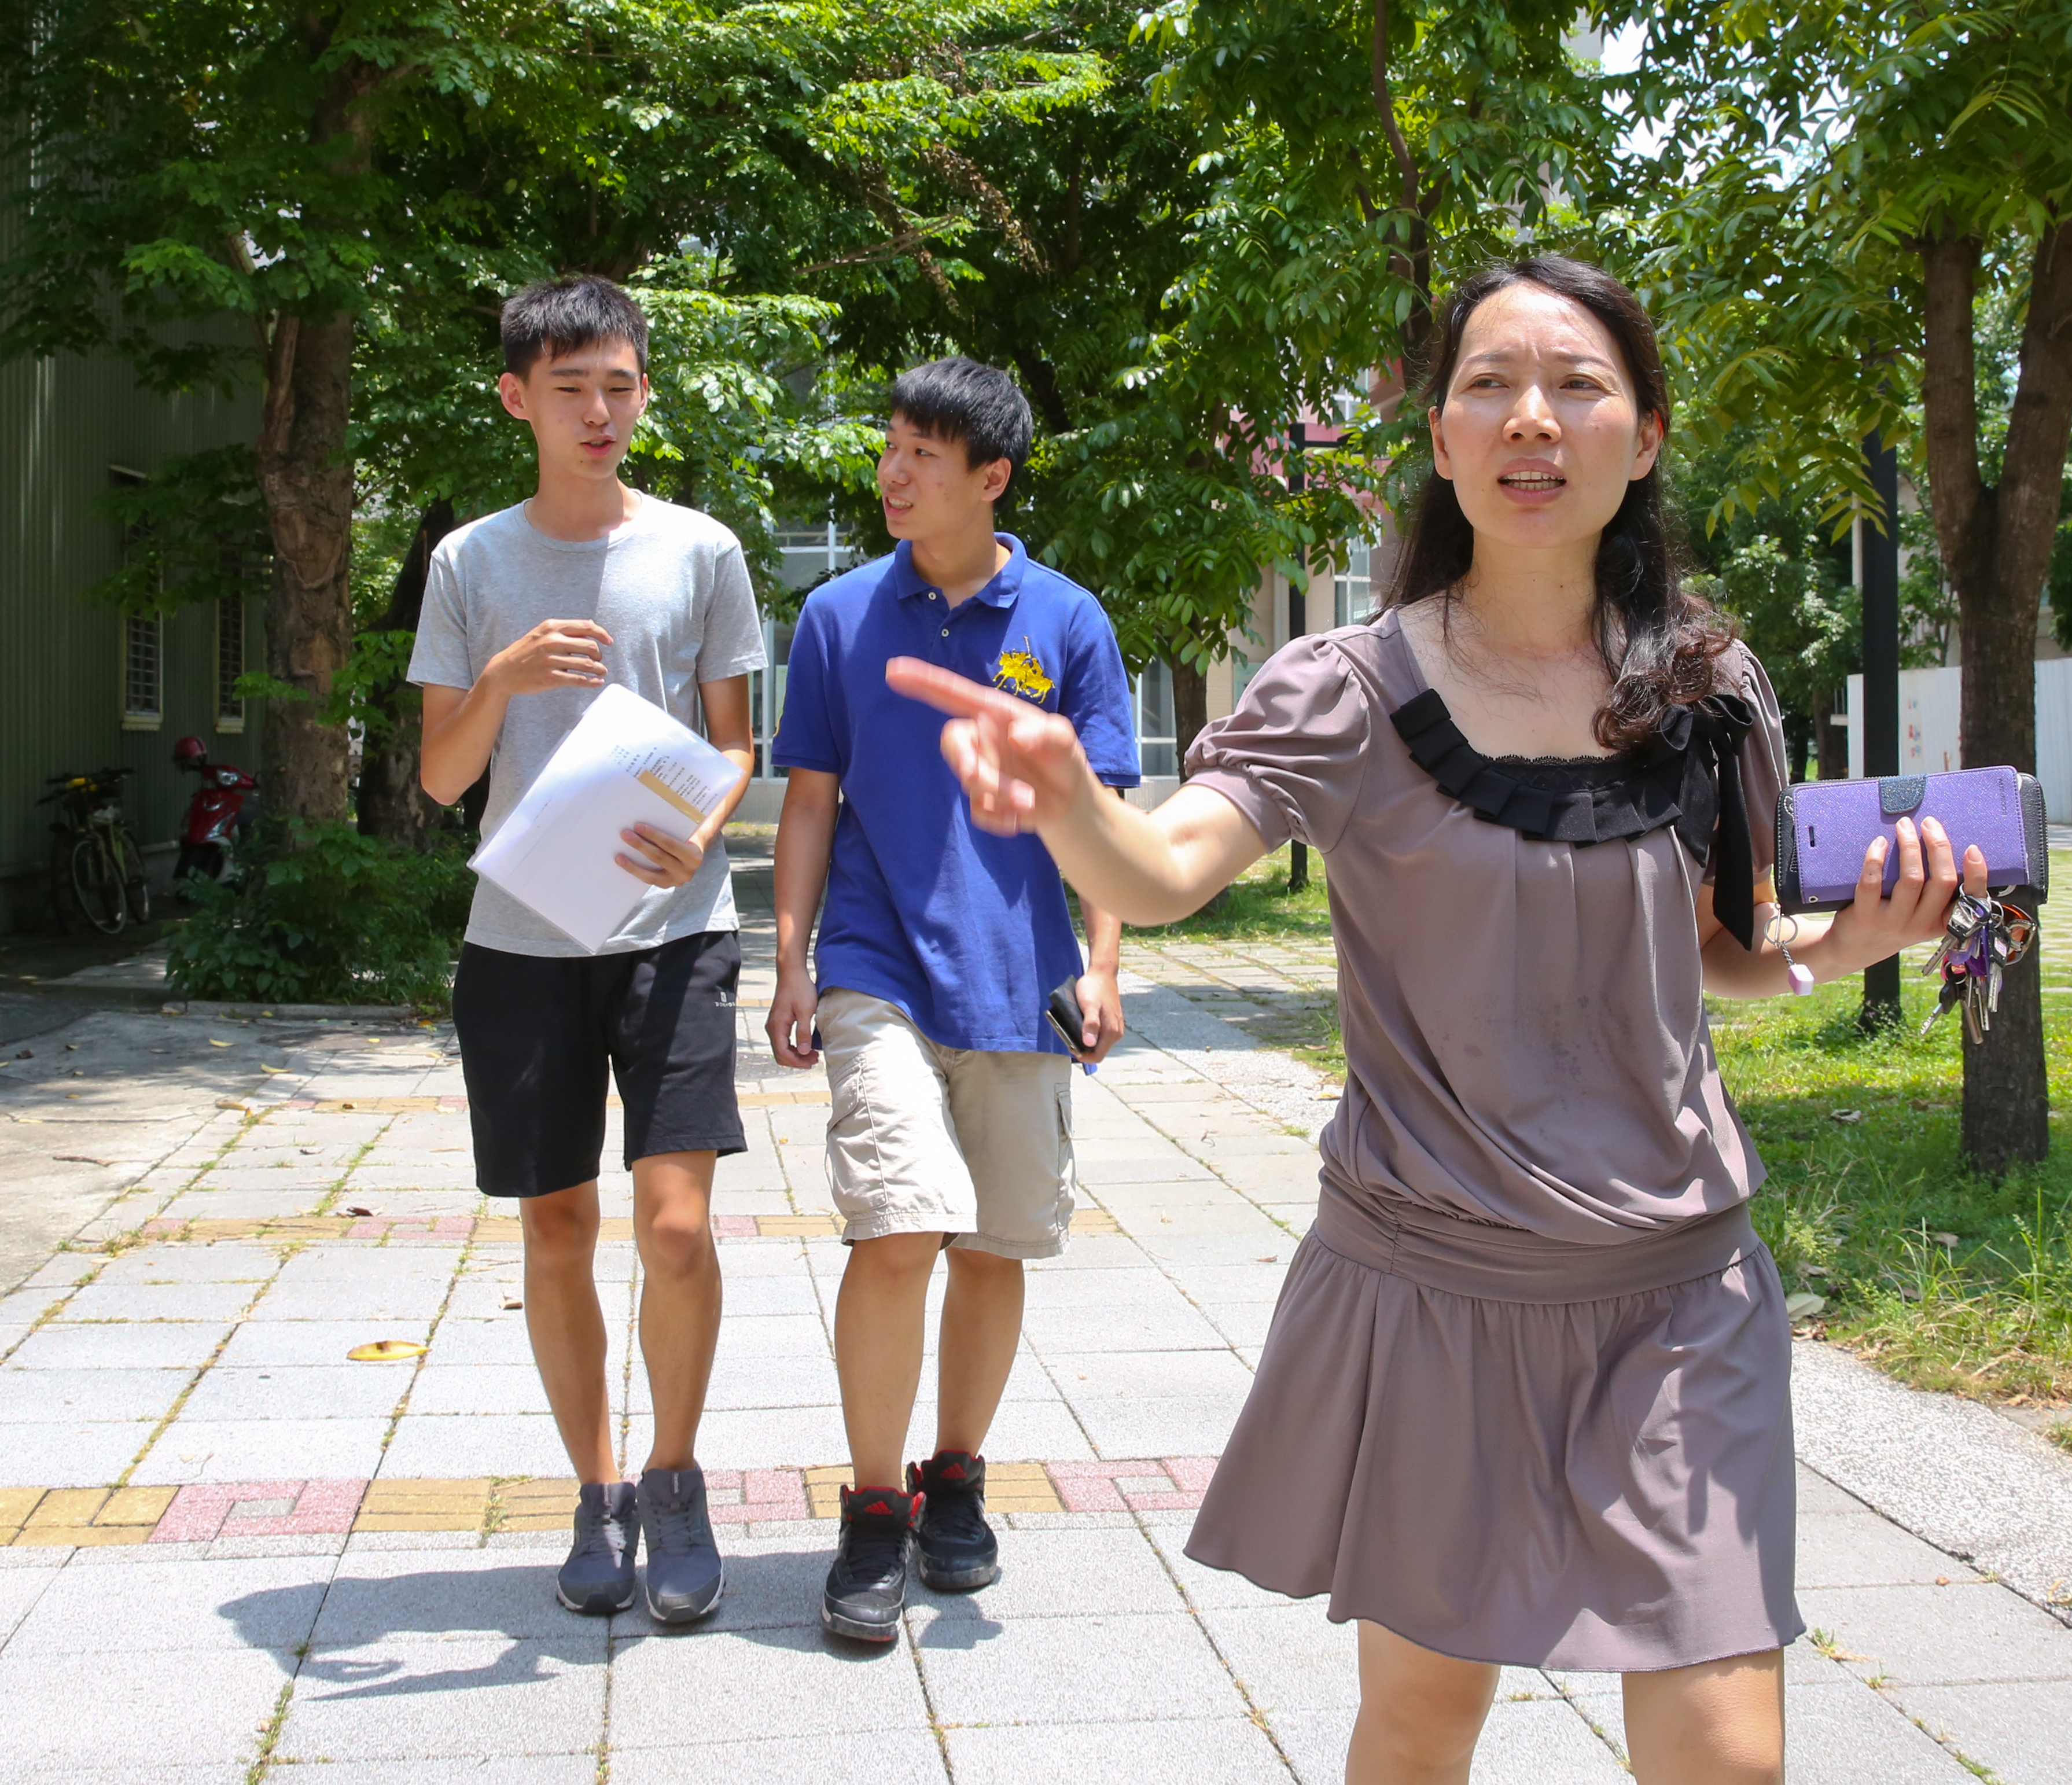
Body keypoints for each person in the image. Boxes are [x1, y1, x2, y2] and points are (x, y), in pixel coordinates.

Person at [888, 255, 1984, 1783]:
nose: (1532, 416)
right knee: (1421, 1724)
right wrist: (1075, 806)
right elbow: (1170, 863)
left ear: (1647, 434)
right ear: (1445, 437)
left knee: (1730, 1749)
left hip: (1679, 1286)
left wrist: (1842, 940)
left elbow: (1726, 946)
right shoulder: (1343, 688)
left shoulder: (1711, 682)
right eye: (1489, 384)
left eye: (1577, 384)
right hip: (1435, 1285)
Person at [763, 357, 1139, 1642]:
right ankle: (874, 1510)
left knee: (993, 1244)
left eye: (924, 453)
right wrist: (792, 955)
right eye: (888, 449)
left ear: (992, 476)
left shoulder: (1070, 623)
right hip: (878, 964)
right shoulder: (838, 618)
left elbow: (1106, 811)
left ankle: (955, 1479)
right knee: (898, 1223)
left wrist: (1106, 960)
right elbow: (811, 796)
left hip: (1024, 977)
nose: (893, 473)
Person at [411, 274, 764, 1624]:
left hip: (675, 930)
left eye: (621, 384)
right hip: (521, 938)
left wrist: (705, 828)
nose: (602, 410)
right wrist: (499, 679)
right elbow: (443, 780)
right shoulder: (471, 562)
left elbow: (736, 743)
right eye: (572, 389)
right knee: (556, 1223)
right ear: (518, 398)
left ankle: (675, 1478)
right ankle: (598, 1488)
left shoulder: (700, 549)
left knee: (676, 1227)